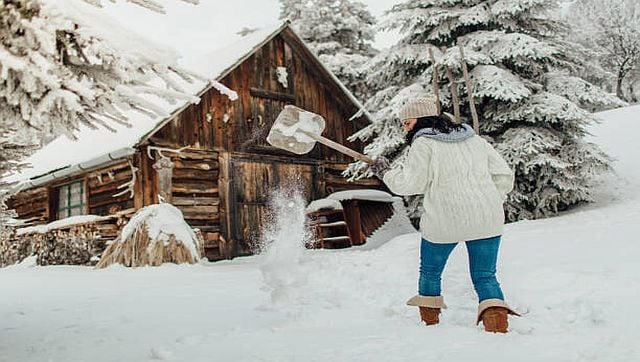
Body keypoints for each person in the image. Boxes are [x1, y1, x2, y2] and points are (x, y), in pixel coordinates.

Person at [371, 95, 520, 333]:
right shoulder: (475, 140)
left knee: (430, 271)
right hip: (487, 218)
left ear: (421, 120)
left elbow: (409, 184)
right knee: (485, 276)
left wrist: (385, 173)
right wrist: (491, 200)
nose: (405, 129)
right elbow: (504, 176)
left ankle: (430, 327)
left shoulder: (424, 143)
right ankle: (497, 328)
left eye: (407, 123)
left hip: (445, 220)